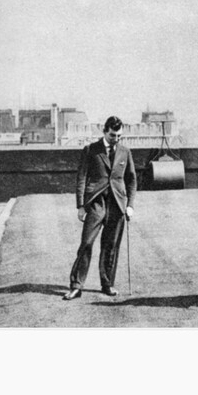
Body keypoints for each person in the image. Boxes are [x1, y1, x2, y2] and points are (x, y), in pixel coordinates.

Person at [63, 116, 136, 300]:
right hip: (96, 203)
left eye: (119, 136)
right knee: (86, 243)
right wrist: (80, 206)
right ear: (104, 131)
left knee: (110, 246)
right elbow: (81, 177)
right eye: (113, 135)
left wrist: (130, 205)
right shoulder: (91, 150)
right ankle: (76, 285)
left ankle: (107, 284)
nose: (116, 139)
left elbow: (131, 180)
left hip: (117, 205)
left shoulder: (125, 152)